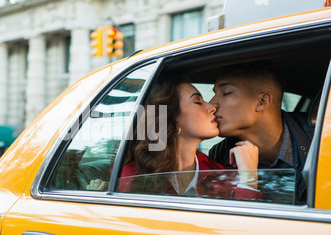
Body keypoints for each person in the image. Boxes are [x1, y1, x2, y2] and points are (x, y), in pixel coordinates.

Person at [89, 75, 261, 199]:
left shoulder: (220, 174)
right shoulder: (131, 177)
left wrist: (248, 179)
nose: (212, 106)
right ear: (171, 118)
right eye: (198, 101)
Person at [208, 61, 314, 204]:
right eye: (215, 94)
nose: (212, 104)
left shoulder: (320, 140)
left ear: (261, 102)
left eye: (226, 93)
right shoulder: (220, 155)